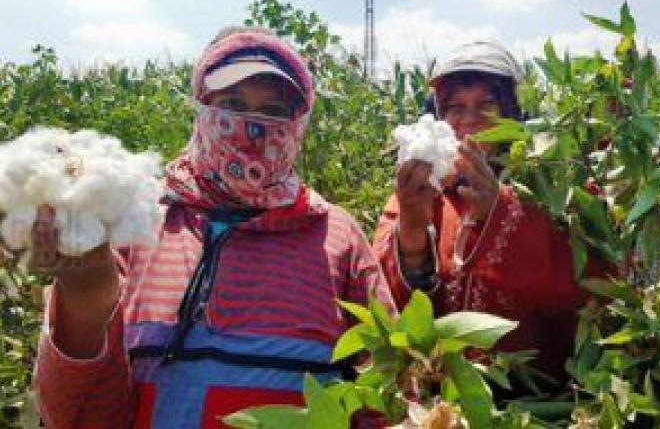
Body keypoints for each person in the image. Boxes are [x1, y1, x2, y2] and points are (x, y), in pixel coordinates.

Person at [31, 26, 395, 428]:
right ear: (202, 108)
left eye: (274, 111)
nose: (251, 126)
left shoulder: (337, 237)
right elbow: (73, 416)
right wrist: (86, 300)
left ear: (300, 122)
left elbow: (387, 391)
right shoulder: (130, 223)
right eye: (232, 102)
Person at [373, 41, 590, 381]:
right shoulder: (419, 195)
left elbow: (578, 290)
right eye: (455, 107)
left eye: (487, 105)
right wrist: (412, 233)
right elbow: (386, 307)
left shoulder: (556, 192)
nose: (469, 120)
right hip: (441, 400)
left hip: (539, 399)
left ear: (513, 114)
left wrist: (500, 211)